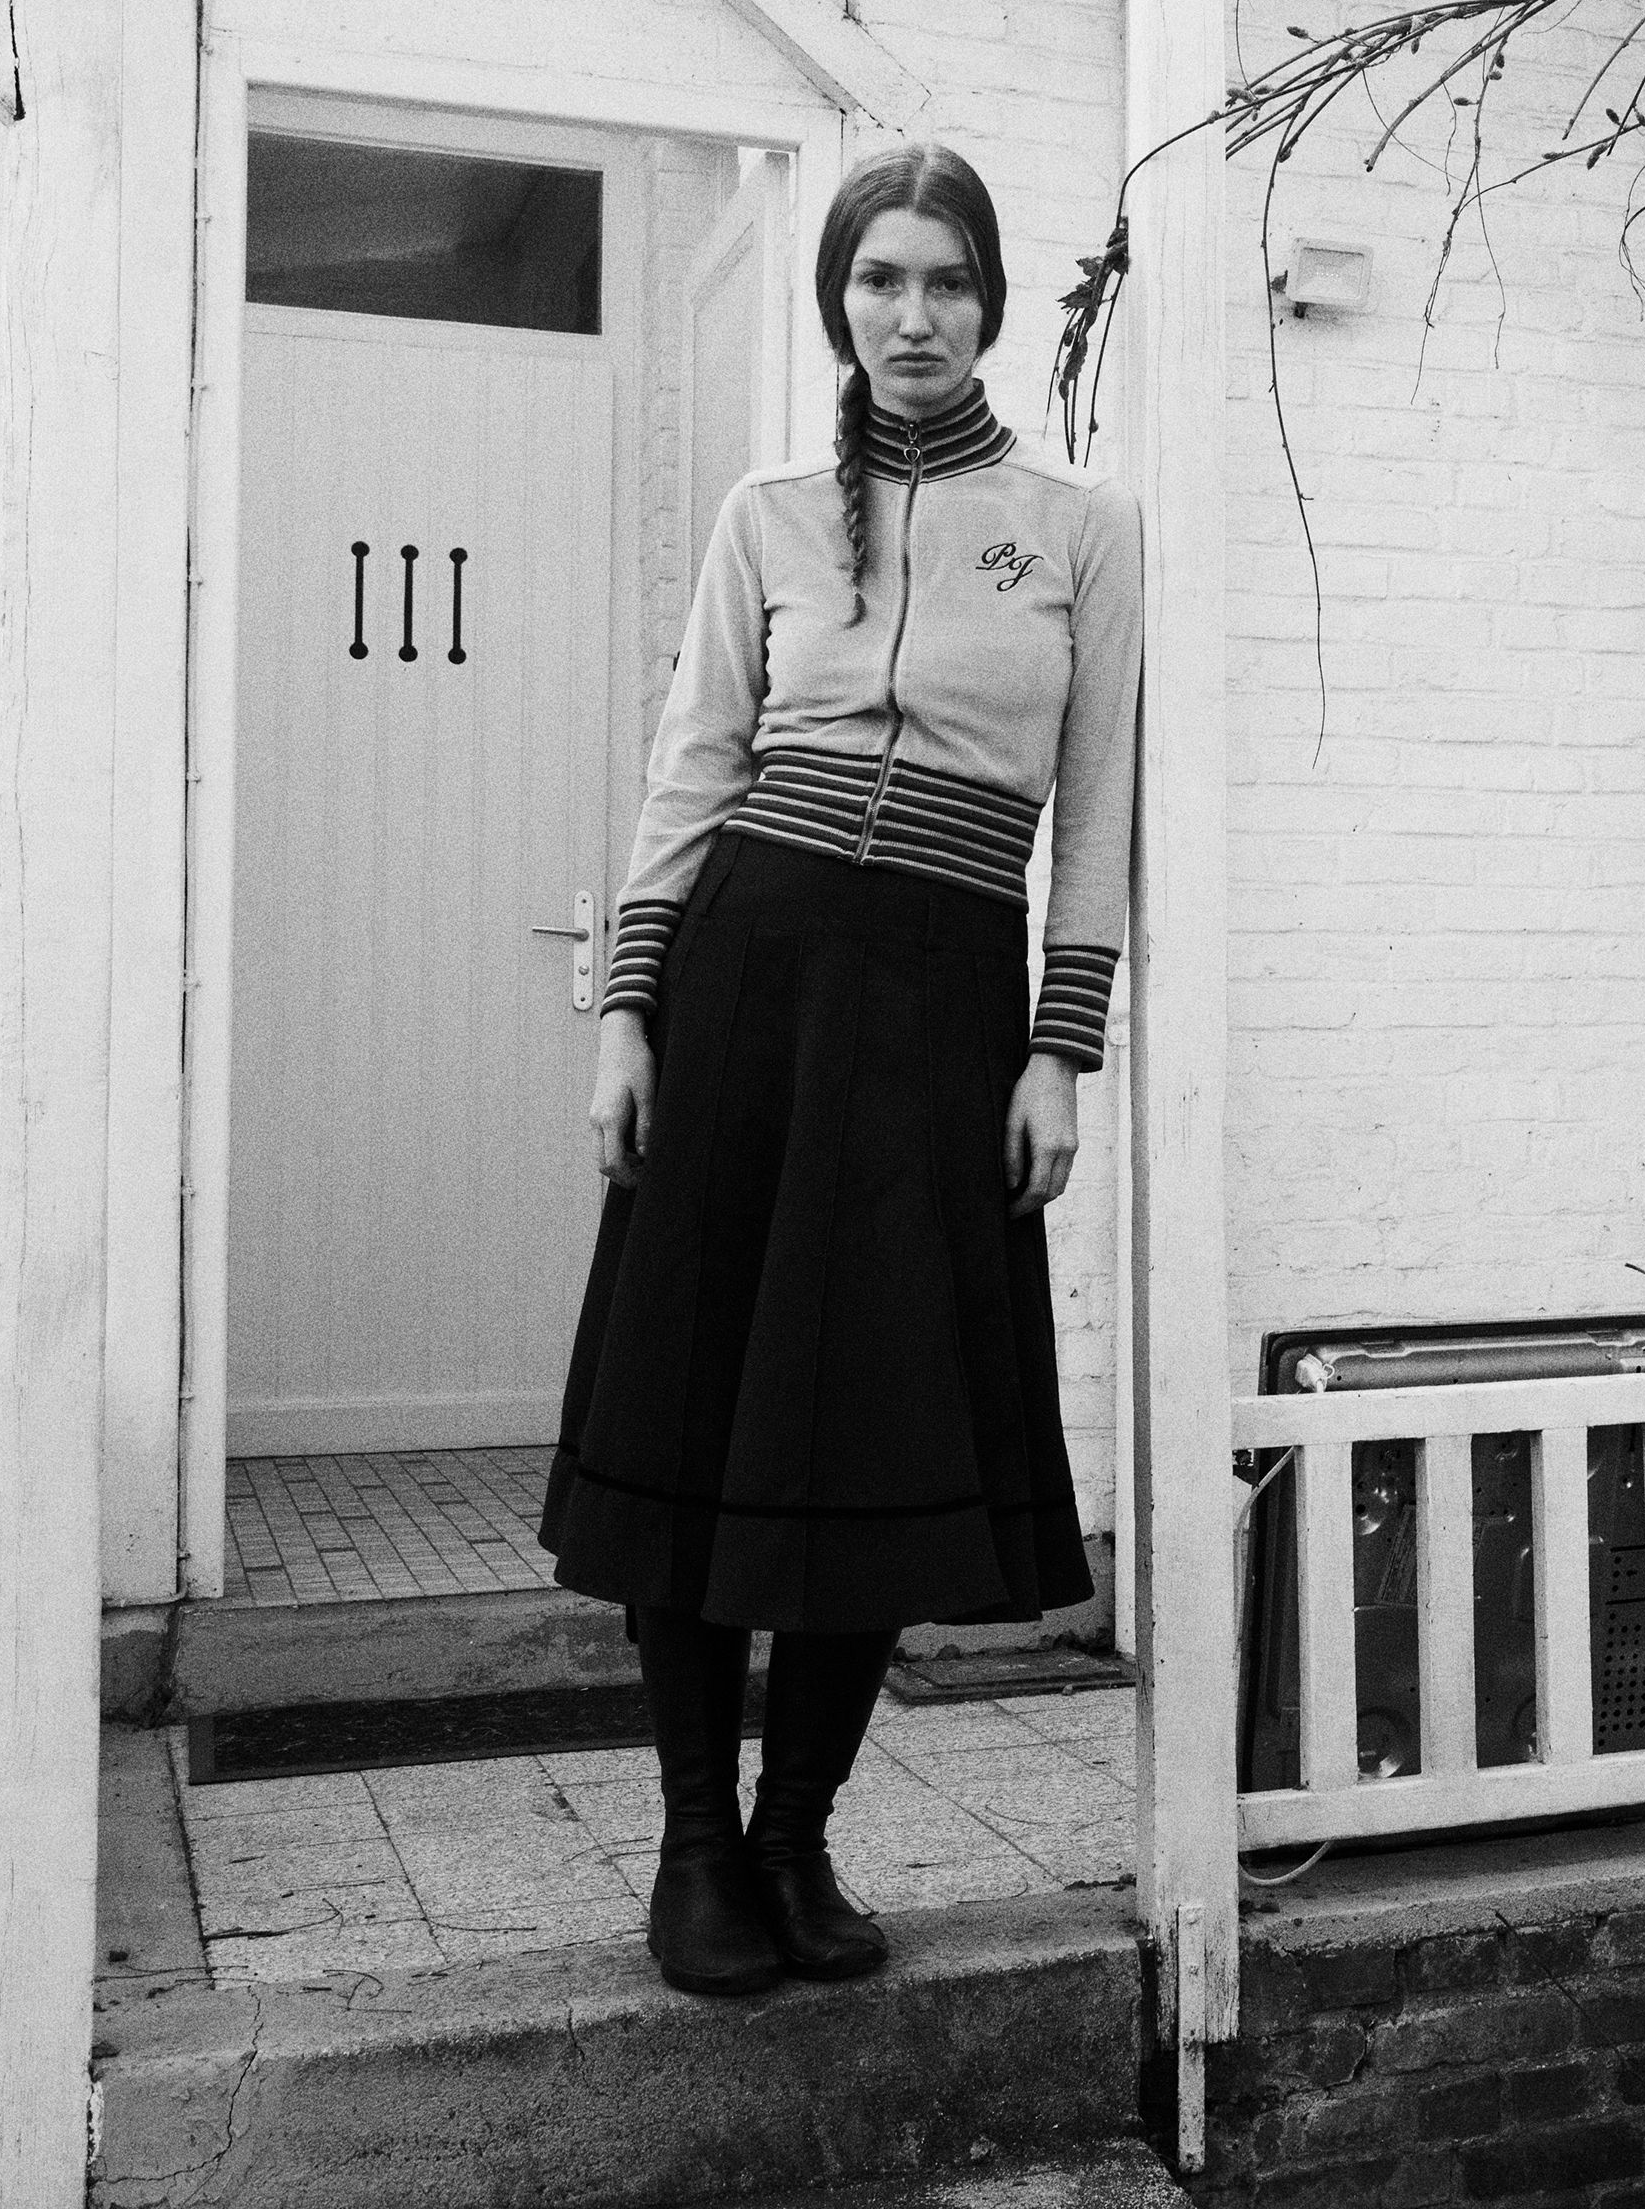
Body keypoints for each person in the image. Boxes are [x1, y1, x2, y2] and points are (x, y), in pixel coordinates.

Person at [539, 143, 1143, 1999]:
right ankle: (694, 1849)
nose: (913, 314)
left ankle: (795, 1833)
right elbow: (693, 764)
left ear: (993, 303)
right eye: (880, 279)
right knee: (701, 1409)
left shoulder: (1080, 531)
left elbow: (1097, 815)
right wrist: (628, 1011)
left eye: (946, 279)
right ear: (838, 302)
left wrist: (1059, 1049)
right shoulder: (769, 516)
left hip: (943, 1006)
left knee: (880, 1416)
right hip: (752, 983)